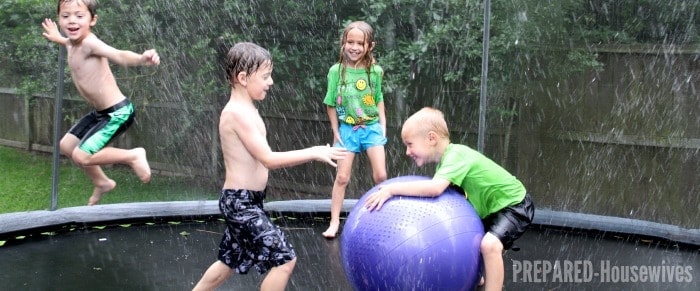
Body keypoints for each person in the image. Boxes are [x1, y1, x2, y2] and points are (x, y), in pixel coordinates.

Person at [193, 42, 346, 291]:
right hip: (240, 203)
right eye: (265, 76)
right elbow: (268, 159)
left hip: (248, 201)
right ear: (242, 78)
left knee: (228, 261)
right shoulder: (236, 113)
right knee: (285, 259)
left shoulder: (247, 109)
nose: (271, 82)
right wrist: (314, 151)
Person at [365, 107, 534, 291]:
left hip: (514, 204)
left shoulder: (457, 155)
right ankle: (475, 277)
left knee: (489, 245)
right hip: (491, 209)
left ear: (431, 138)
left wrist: (392, 189)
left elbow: (434, 189)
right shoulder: (446, 164)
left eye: (410, 144)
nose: (407, 151)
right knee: (470, 240)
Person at [41, 0, 160, 205]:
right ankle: (102, 182)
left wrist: (142, 58)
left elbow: (118, 55)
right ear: (59, 19)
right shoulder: (71, 43)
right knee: (67, 146)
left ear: (92, 20)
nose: (71, 21)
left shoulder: (89, 43)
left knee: (81, 155)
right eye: (65, 16)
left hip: (118, 113)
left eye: (79, 16)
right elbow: (66, 42)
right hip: (101, 114)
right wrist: (56, 38)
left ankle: (132, 155)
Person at [322, 21, 387, 239]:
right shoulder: (336, 72)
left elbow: (378, 99)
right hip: (347, 130)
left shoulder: (375, 71)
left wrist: (382, 126)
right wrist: (335, 131)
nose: (355, 47)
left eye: (360, 43)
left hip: (371, 127)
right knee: (342, 177)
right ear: (344, 43)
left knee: (381, 175)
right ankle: (333, 223)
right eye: (351, 42)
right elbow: (330, 103)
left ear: (370, 46)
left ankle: (383, 219)